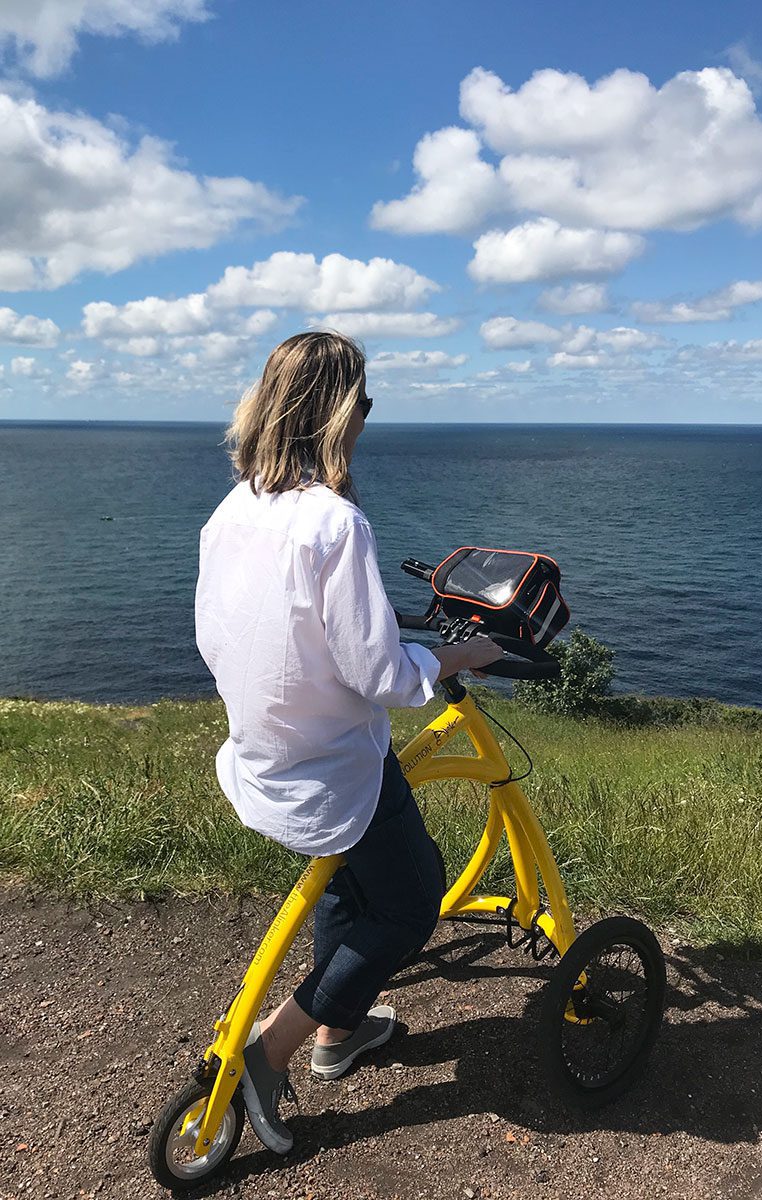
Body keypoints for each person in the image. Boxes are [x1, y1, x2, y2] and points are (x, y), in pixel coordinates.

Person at [194, 331, 501, 1154]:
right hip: (331, 769)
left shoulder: (231, 511)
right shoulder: (336, 523)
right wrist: (458, 655)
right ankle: (273, 1049)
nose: (366, 417)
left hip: (261, 762)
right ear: (340, 413)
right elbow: (383, 677)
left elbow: (221, 636)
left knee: (345, 888)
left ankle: (339, 1033)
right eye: (363, 402)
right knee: (408, 901)